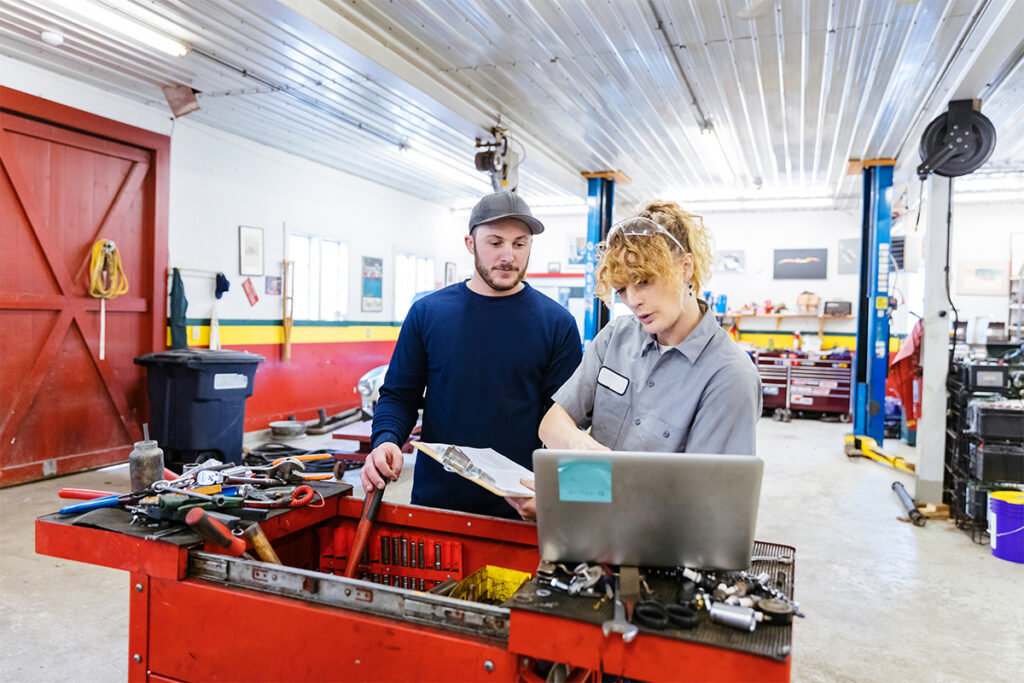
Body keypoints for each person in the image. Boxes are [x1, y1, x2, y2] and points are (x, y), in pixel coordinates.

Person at [511, 201, 761, 520]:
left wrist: (569, 500)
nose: (633, 301)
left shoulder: (729, 377)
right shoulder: (617, 336)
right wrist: (581, 449)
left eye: (643, 281)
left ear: (686, 268)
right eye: (622, 290)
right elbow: (552, 423)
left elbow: (703, 504)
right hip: (591, 540)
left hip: (661, 556)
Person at [359, 190, 583, 519]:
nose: (509, 256)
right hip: (438, 502)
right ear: (470, 244)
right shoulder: (427, 314)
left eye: (520, 244)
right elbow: (399, 395)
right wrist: (386, 440)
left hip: (522, 506)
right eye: (495, 243)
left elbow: (567, 421)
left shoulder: (557, 323)